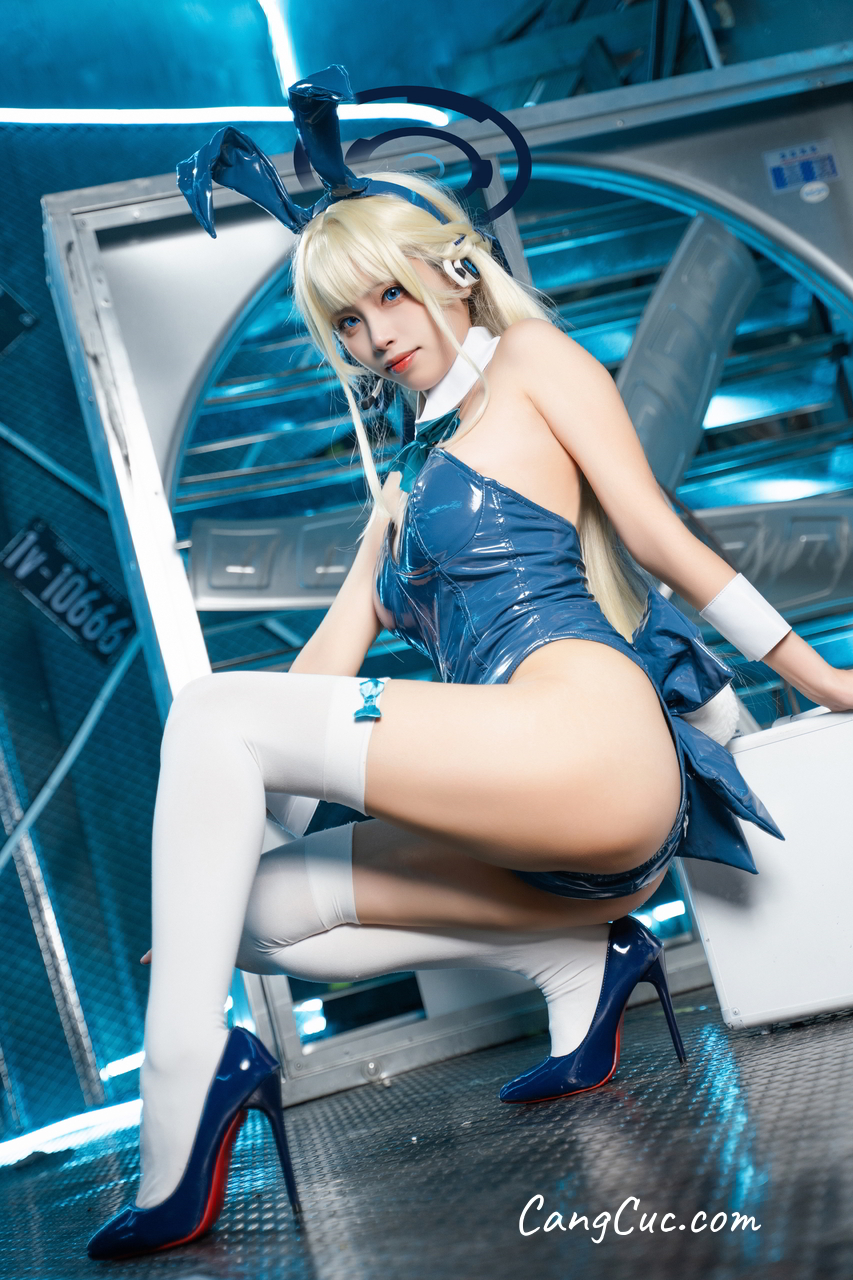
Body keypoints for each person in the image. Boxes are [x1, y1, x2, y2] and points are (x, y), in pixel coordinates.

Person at [87, 67, 853, 1260]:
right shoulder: (405, 477)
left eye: (387, 294)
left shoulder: (534, 365)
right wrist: (209, 871)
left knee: (211, 712)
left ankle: (182, 1083)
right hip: (536, 834)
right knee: (249, 912)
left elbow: (659, 538)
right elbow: (294, 716)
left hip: (592, 744)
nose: (372, 335)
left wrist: (820, 678)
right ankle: (580, 961)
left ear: (453, 268)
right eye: (346, 320)